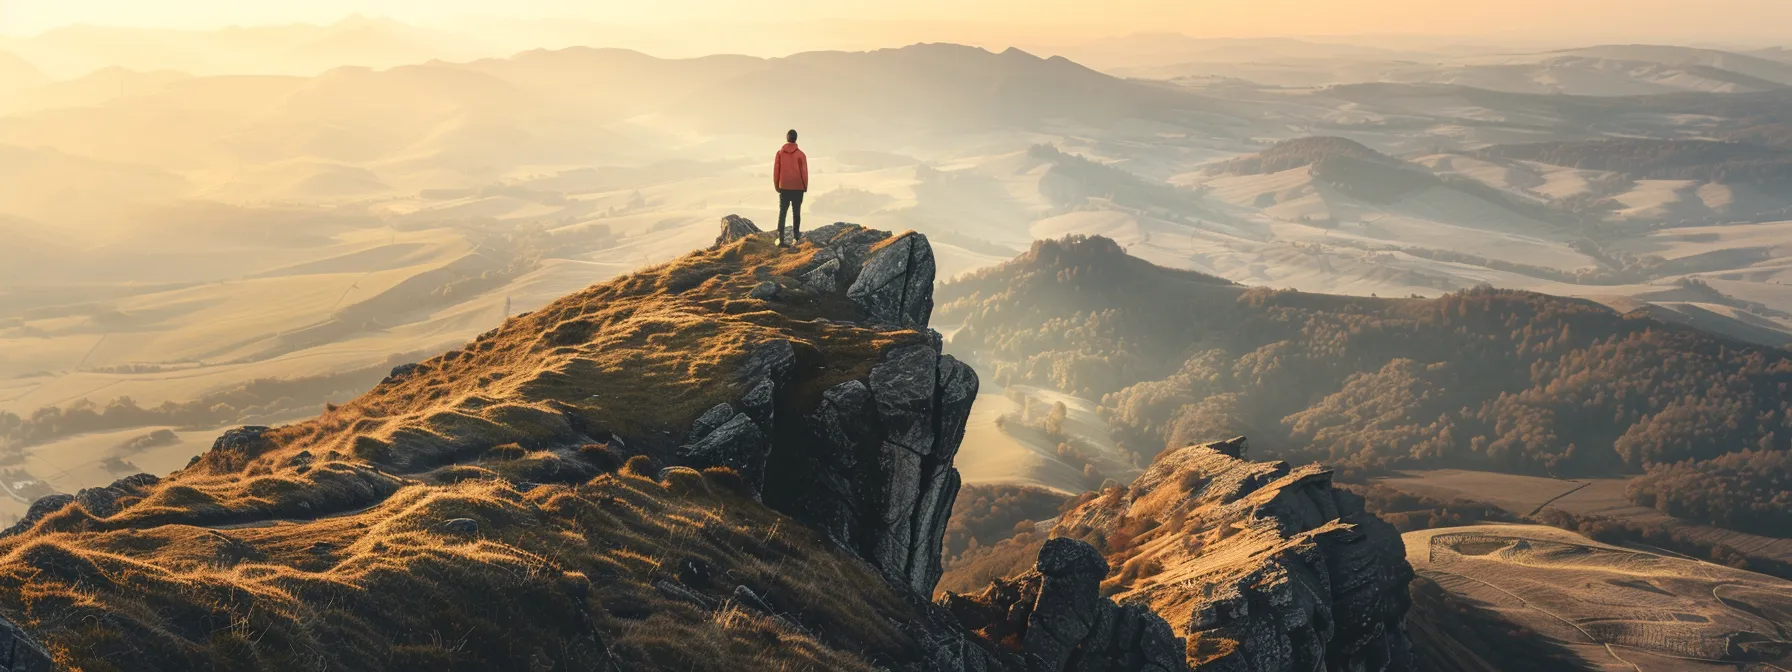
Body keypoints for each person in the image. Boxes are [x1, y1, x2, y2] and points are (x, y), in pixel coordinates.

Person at [773, 129, 808, 247]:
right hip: (798, 187)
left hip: (784, 187)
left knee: (782, 212)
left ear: (787, 138)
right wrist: (804, 186)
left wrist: (777, 185)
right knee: (796, 212)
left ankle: (780, 239)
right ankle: (796, 238)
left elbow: (776, 171)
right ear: (796, 139)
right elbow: (804, 173)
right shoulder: (801, 155)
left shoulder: (779, 154)